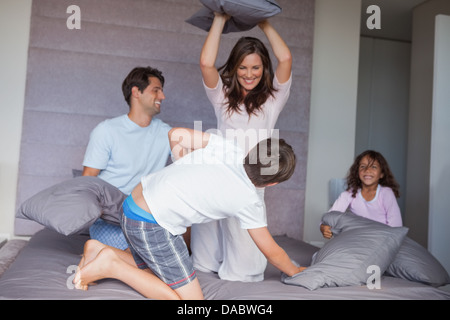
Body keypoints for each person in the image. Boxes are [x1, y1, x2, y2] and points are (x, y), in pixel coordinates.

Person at [74, 127, 305, 300]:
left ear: (255, 152)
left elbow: (175, 134)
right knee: (190, 302)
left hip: (131, 204)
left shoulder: (229, 147)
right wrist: (295, 270)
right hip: (150, 223)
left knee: (157, 271)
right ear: (273, 183)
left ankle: (99, 250)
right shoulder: (249, 200)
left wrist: (182, 164)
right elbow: (271, 251)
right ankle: (109, 265)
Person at [191, 13, 293, 282]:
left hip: (250, 183)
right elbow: (205, 63)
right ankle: (206, 266)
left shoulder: (273, 99)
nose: (249, 74)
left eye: (256, 68)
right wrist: (220, 19)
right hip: (217, 176)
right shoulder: (222, 96)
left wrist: (264, 22)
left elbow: (286, 59)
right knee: (205, 259)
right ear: (235, 68)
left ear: (264, 69)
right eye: (243, 68)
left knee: (247, 268)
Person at [82, 66, 172, 250]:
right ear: (136, 92)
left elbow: (190, 161)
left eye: (162, 91)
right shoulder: (107, 131)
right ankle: (101, 257)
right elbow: (87, 180)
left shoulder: (166, 133)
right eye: (156, 90)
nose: (162, 97)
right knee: (137, 258)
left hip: (146, 216)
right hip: (112, 218)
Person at [320, 150, 403, 239]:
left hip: (380, 239)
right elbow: (329, 216)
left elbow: (396, 226)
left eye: (373, 167)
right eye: (363, 166)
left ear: (381, 174)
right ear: (357, 172)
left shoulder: (386, 194)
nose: (367, 170)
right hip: (358, 239)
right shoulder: (349, 194)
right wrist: (323, 227)